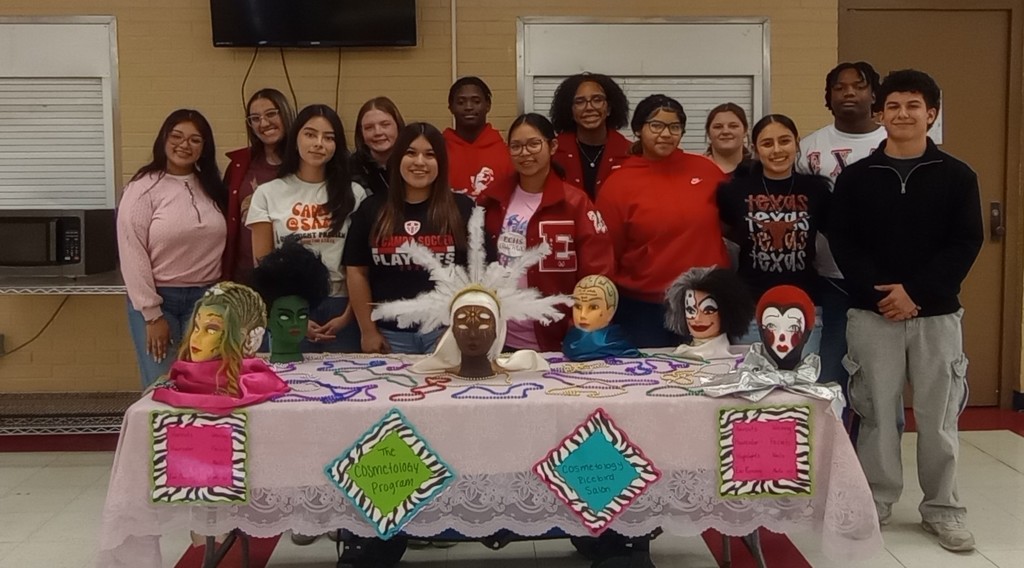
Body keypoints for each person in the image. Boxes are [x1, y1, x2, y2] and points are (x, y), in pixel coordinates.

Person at [829, 69, 983, 552]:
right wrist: (882, 296)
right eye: (893, 106)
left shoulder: (958, 176)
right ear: (880, 114)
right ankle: (876, 500)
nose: (902, 114)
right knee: (875, 413)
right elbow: (844, 243)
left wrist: (915, 293)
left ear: (931, 114)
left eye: (914, 106)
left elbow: (965, 243)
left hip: (936, 316)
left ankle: (943, 509)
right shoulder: (855, 178)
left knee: (938, 419)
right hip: (872, 316)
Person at [596, 94, 729, 348]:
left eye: (674, 127)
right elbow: (608, 250)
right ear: (638, 129)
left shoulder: (706, 171)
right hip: (643, 309)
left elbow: (730, 223)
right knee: (647, 380)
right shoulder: (618, 184)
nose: (666, 134)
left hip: (704, 302)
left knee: (708, 377)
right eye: (656, 125)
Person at [480, 113, 614, 352]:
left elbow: (598, 274)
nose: (525, 152)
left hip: (561, 337)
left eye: (533, 144)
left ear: (552, 146)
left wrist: (580, 326)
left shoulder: (575, 203)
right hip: (501, 337)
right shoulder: (493, 200)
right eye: (516, 146)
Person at [117, 109, 228, 388]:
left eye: (194, 140)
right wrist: (152, 314)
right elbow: (132, 252)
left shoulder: (212, 187)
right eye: (176, 136)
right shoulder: (143, 188)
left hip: (205, 301)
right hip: (159, 301)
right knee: (163, 386)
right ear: (163, 139)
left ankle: (198, 434)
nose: (184, 145)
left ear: (204, 147)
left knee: (203, 385)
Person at [344, 122, 475, 354]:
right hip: (388, 335)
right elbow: (356, 271)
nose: (420, 162)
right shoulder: (371, 208)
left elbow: (479, 275)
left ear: (441, 163)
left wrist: (459, 329)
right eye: (411, 153)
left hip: (446, 332)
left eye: (430, 155)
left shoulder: (463, 209)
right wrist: (368, 330)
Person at [246, 104, 367, 355]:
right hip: (289, 307)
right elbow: (263, 265)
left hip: (343, 306)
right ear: (296, 139)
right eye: (310, 134)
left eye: (328, 137)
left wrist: (347, 316)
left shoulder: (354, 194)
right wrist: (294, 316)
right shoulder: (267, 193)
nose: (319, 143)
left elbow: (361, 264)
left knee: (348, 389)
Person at [796, 62, 886, 391]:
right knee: (830, 371)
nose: (849, 92)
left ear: (873, 94)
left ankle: (870, 443)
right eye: (839, 87)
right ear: (828, 97)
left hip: (884, 277)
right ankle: (833, 441)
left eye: (859, 86)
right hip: (829, 278)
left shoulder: (891, 143)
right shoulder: (808, 147)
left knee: (878, 378)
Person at [716, 114, 830, 353]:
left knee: (801, 386)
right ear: (755, 149)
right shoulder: (734, 192)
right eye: (767, 144)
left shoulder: (816, 189)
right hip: (751, 307)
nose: (777, 150)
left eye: (785, 141)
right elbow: (725, 240)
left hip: (806, 305)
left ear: (797, 143)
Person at [222, 88, 295, 283]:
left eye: (271, 114)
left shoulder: (303, 163)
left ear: (286, 114)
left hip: (289, 275)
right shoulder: (240, 164)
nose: (263, 123)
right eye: (255, 118)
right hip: (244, 275)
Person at [549, 72, 632, 199]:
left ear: (609, 108)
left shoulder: (630, 152)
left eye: (597, 100)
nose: (589, 107)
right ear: (569, 110)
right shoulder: (552, 152)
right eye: (580, 101)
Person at [443, 76, 514, 200]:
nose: (468, 107)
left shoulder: (507, 153)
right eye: (461, 102)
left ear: (488, 105)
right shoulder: (438, 150)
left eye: (476, 101)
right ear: (451, 107)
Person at [350, 96, 405, 196]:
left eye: (385, 125)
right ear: (361, 133)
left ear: (398, 125)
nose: (378, 132)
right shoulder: (350, 169)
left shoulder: (412, 163)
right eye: (369, 128)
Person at [704, 102, 753, 175]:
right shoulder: (694, 169)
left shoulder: (760, 171)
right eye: (718, 127)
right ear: (708, 133)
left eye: (733, 126)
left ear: (745, 131)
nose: (725, 131)